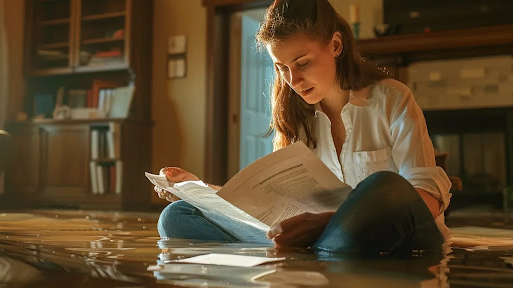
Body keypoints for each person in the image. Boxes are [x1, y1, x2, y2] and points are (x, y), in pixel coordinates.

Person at [154, 0, 452, 257]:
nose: (292, 80)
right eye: (281, 68)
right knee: (177, 218)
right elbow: (268, 205)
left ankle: (325, 245)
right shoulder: (297, 118)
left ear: (336, 45)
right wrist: (198, 190)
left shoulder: (391, 98)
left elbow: (429, 197)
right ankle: (322, 249)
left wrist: (330, 221)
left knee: (382, 188)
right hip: (325, 242)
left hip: (398, 237)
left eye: (303, 63)